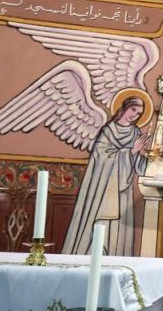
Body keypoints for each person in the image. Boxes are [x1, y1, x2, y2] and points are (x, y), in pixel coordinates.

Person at [62, 96, 151, 256]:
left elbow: (139, 166)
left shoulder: (135, 133)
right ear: (125, 107)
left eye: (138, 114)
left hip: (122, 191)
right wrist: (130, 151)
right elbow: (100, 155)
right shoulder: (109, 131)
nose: (134, 115)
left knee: (118, 231)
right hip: (103, 189)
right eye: (133, 110)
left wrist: (144, 155)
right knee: (101, 224)